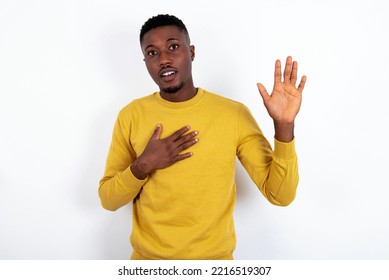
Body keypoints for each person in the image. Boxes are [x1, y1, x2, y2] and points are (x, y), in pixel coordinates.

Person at [99, 14, 307, 260]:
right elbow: (108, 200)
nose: (164, 59)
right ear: (145, 61)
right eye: (152, 53)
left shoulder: (233, 114)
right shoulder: (131, 115)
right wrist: (143, 165)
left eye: (173, 47)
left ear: (192, 52)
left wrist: (284, 125)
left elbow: (281, 195)